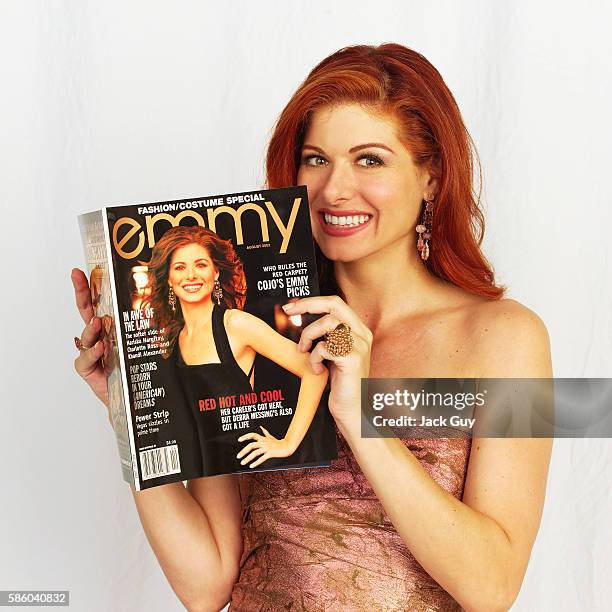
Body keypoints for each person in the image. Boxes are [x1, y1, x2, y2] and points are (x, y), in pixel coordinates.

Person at [72, 43, 553, 611]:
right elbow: (206, 586)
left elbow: (492, 587)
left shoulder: (506, 338)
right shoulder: (248, 324)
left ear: (432, 176)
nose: (333, 190)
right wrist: (132, 412)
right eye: (316, 158)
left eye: (369, 159)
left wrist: (355, 415)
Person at [142, 224, 329, 473]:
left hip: (251, 469)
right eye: (180, 267)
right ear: (168, 278)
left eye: (200, 265)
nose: (190, 276)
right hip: (206, 471)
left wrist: (288, 443)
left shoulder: (236, 324)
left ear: (216, 272)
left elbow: (315, 372)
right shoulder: (173, 338)